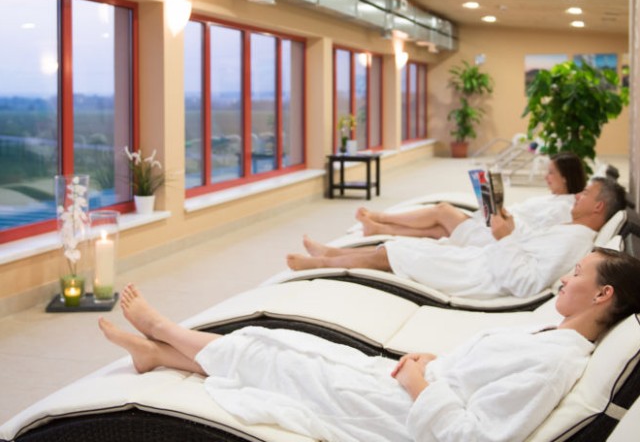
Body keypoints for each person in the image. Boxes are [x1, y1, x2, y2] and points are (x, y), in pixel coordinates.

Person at [100, 248, 640, 442]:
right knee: (281, 341)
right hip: (408, 388)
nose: (564, 278)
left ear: (603, 294)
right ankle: (157, 354)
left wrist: (421, 384)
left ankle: (163, 330)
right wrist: (435, 363)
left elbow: (474, 438)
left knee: (269, 356)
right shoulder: (553, 338)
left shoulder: (554, 364)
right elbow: (478, 375)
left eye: (576, 273)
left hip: (400, 417)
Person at [287, 177, 627, 298]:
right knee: (400, 248)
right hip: (486, 259)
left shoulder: (575, 241)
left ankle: (321, 262)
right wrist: (509, 230)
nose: (577, 196)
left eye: (585, 194)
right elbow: (529, 251)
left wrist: (504, 238)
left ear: (598, 207)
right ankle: (330, 255)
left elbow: (526, 283)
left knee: (392, 253)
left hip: (483, 276)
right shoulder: (572, 230)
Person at [356, 152, 587, 240]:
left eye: (551, 173)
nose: (546, 176)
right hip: (498, 224)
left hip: (499, 235)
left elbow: (539, 233)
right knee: (440, 231)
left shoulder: (565, 207)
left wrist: (504, 219)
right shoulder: (554, 199)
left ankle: (381, 217)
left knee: (442, 210)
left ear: (566, 177)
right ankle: (379, 229)